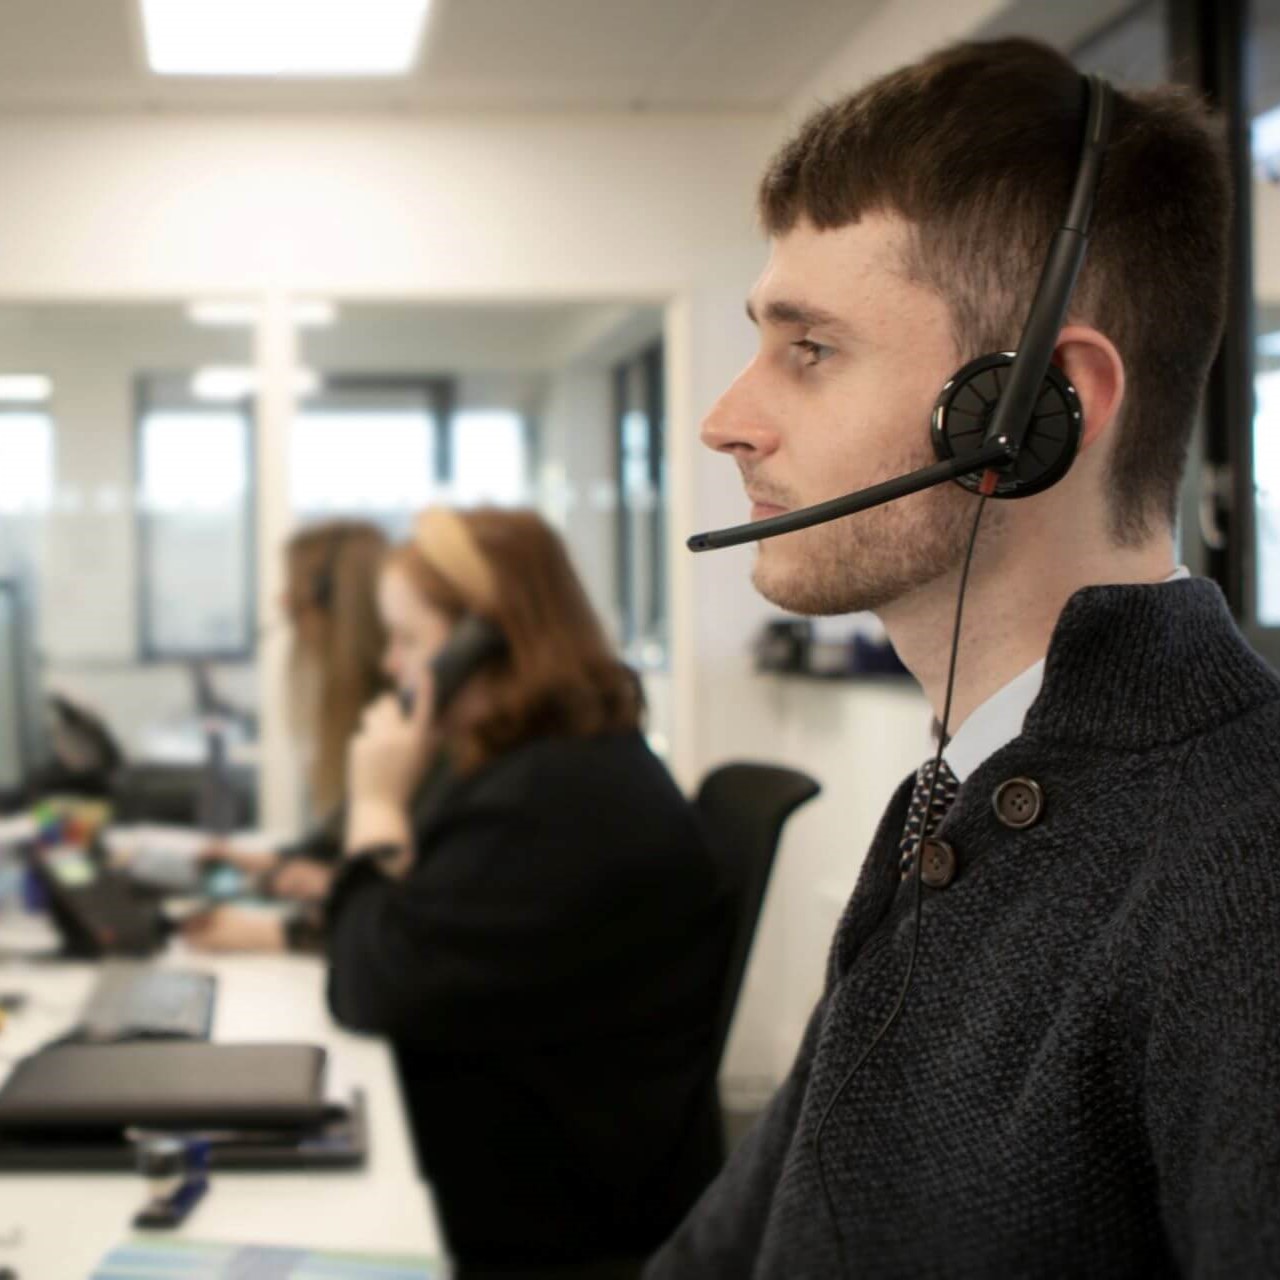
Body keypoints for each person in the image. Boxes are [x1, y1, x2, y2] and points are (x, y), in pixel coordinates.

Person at [646, 37, 1280, 1280]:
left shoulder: (1245, 862)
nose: (726, 419)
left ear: (1027, 411)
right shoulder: (972, 795)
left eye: (808, 348)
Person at [327, 506, 731, 1276]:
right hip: (542, 1164)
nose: (390, 667)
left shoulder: (551, 799)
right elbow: (403, 932)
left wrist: (377, 807)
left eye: (409, 640)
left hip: (548, 1218)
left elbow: (366, 985)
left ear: (485, 643)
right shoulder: (551, 768)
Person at [185, 519, 390, 952]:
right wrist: (277, 862)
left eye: (292, 590)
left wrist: (283, 931)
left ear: (331, 603)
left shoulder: (396, 724)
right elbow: (343, 837)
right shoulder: (371, 708)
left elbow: (399, 907)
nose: (281, 603)